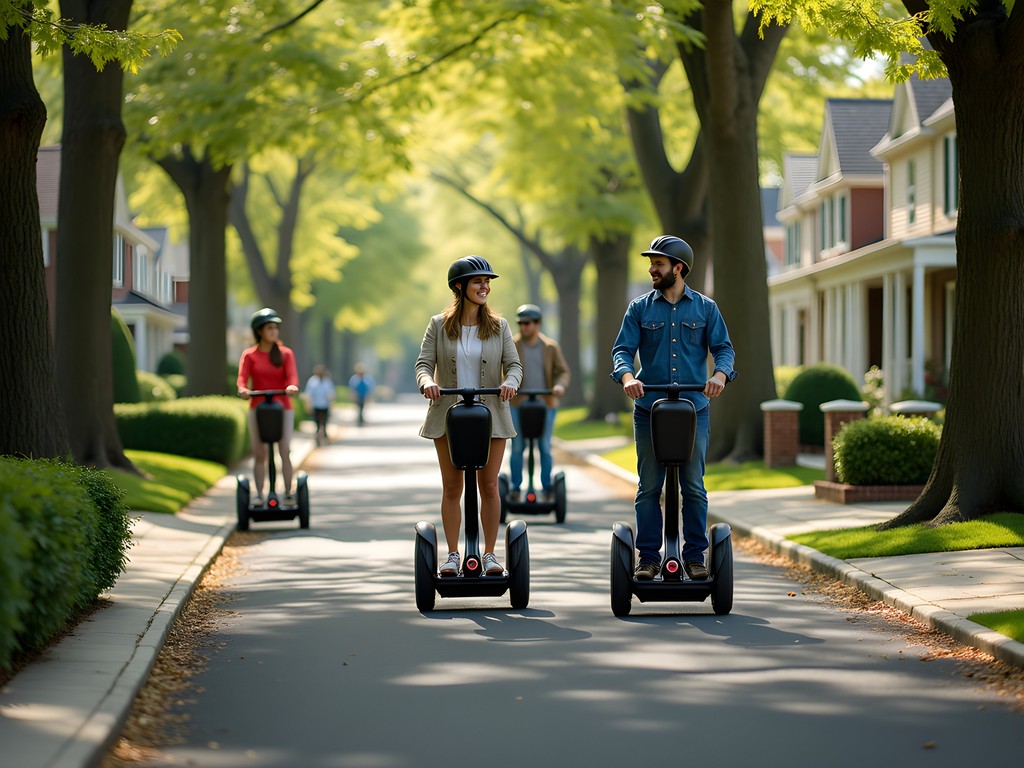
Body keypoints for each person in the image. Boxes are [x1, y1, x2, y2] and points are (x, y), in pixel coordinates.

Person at [610, 236, 737, 581]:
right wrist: (626, 378)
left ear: (678, 268)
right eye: (651, 263)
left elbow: (724, 349)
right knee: (649, 486)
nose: (652, 269)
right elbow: (622, 350)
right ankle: (649, 558)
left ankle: (695, 556)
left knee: (693, 485)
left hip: (694, 409)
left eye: (658, 264)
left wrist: (720, 375)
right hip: (649, 409)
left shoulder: (706, 309)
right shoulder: (639, 308)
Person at [415, 256, 522, 576]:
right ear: (459, 286)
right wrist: (428, 382)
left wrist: (509, 383)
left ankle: (489, 555)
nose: (485, 287)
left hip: (492, 415)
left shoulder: (500, 326)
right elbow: (423, 365)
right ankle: (452, 554)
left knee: (489, 487)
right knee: (452, 488)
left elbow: (514, 366)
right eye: (478, 282)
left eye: (488, 282)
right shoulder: (438, 324)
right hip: (448, 415)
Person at [237, 308, 300, 504]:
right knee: (260, 453)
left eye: (276, 328)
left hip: (283, 408)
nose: (274, 331)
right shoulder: (250, 355)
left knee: (284, 450)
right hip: (258, 408)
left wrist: (291, 386)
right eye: (269, 328)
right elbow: (242, 378)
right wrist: (242, 389)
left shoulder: (285, 354)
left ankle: (289, 493)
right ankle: (259, 495)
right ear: (259, 331)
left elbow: (292, 376)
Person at [509, 303, 571, 502]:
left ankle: (546, 487)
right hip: (518, 403)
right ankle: (515, 487)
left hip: (546, 403)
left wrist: (560, 386)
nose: (524, 327)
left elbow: (563, 372)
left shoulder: (550, 347)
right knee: (518, 446)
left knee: (544, 445)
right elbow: (503, 370)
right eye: (521, 323)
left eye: (528, 323)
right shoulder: (512, 345)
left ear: (538, 324)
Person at [304, 364, 336, 446]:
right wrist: (308, 405)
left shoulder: (327, 381)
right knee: (317, 422)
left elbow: (331, 394)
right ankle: (317, 437)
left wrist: (331, 404)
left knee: (324, 422)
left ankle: (324, 437)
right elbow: (308, 394)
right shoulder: (312, 381)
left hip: (325, 405)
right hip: (316, 405)